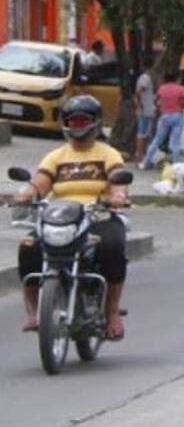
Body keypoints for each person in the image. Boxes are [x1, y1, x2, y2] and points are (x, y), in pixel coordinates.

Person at [15, 95, 130, 339]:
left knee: (112, 246)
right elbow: (40, 183)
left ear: (95, 123)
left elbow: (117, 179)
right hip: (59, 217)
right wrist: (27, 194)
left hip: (97, 216)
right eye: (72, 122)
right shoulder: (56, 156)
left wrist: (118, 196)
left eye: (81, 121)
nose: (77, 126)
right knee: (28, 247)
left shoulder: (108, 153)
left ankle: (111, 312)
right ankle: (35, 312)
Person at [143, 71, 184, 169]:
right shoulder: (181, 89)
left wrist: (160, 107)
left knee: (157, 140)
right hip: (177, 115)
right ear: (176, 79)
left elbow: (155, 100)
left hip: (165, 116)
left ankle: (146, 162)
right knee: (175, 142)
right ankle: (176, 165)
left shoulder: (162, 89)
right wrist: (181, 105)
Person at [133, 67, 156, 163]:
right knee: (143, 134)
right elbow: (139, 92)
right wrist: (140, 103)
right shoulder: (145, 78)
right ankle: (141, 155)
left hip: (146, 110)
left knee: (144, 133)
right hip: (146, 111)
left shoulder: (142, 77)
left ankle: (143, 154)